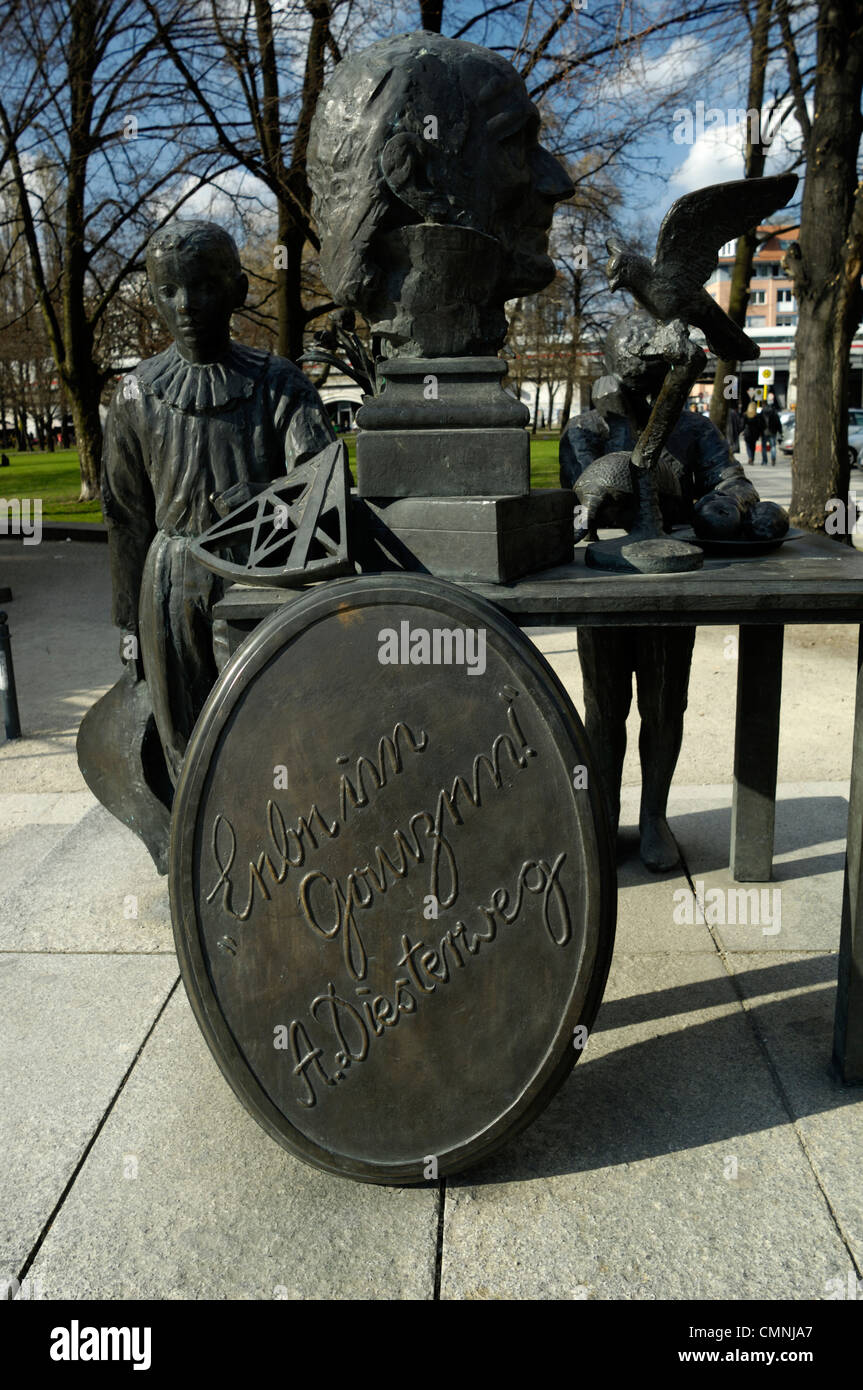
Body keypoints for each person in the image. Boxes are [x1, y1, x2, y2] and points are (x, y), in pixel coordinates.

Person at [101, 220, 334, 788]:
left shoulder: (278, 385)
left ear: (235, 289)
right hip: (169, 578)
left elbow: (324, 487)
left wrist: (265, 502)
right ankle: (199, 855)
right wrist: (128, 622)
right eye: (169, 290)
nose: (187, 305)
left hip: (257, 572)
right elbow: (126, 518)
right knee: (181, 730)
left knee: (265, 719)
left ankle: (274, 845)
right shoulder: (136, 394)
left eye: (204, 286)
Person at [560, 310, 762, 872]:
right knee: (605, 709)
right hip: (605, 587)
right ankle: (603, 815)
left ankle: (654, 817)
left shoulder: (696, 430)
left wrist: (725, 505)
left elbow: (733, 481)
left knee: (664, 703)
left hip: (671, 585)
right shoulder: (587, 429)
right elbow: (586, 493)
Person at [742, 400, 765, 466]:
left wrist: (741, 430)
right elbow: (760, 425)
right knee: (753, 446)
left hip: (747, 433)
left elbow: (742, 425)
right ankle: (752, 458)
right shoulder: (757, 416)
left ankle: (750, 457)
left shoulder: (745, 415)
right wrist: (760, 432)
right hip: (755, 433)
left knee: (748, 446)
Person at [760, 399, 783, 465]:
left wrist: (760, 430)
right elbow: (778, 422)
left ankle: (764, 461)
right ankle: (773, 459)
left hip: (764, 431)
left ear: (763, 404)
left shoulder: (762, 412)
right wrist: (780, 431)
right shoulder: (773, 411)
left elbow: (759, 422)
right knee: (773, 446)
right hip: (772, 431)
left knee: (764, 447)